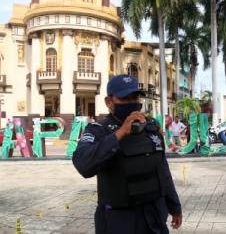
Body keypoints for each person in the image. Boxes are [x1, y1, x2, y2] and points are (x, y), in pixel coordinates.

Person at [72, 74, 182, 234]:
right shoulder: (98, 130)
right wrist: (121, 132)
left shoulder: (151, 128)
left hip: (154, 217)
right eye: (124, 99)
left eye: (135, 98)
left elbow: (163, 169)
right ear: (109, 102)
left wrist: (174, 205)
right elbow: (83, 165)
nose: (131, 103)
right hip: (119, 220)